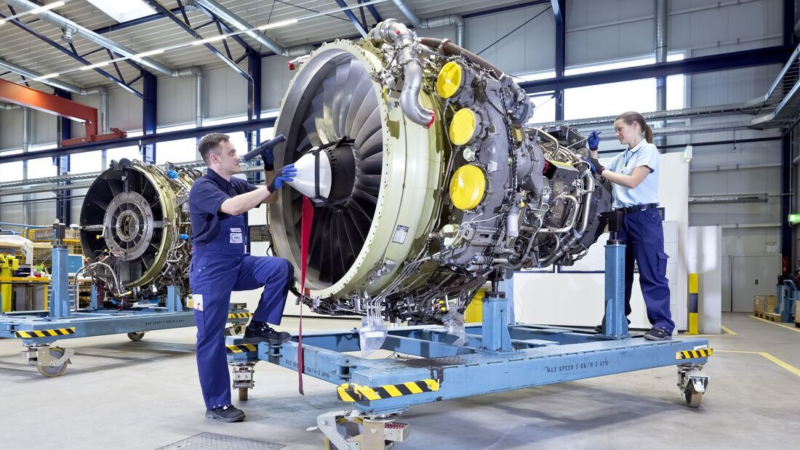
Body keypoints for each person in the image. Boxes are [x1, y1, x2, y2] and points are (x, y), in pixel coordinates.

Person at [188, 133, 297, 422]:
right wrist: (268, 184)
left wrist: (270, 166)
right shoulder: (203, 187)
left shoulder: (235, 183)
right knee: (210, 337)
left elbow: (270, 196)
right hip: (210, 269)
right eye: (232, 152)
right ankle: (217, 404)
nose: (238, 156)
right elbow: (234, 207)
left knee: (280, 268)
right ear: (215, 158)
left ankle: (259, 326)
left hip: (238, 263)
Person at [586, 111, 675, 341]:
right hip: (621, 219)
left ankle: (662, 324)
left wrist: (600, 168)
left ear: (635, 126)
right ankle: (616, 319)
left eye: (619, 129)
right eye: (615, 130)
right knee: (619, 274)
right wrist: (593, 153)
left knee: (651, 272)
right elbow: (602, 174)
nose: (617, 134)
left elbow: (633, 181)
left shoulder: (648, 151)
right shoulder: (623, 156)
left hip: (645, 218)